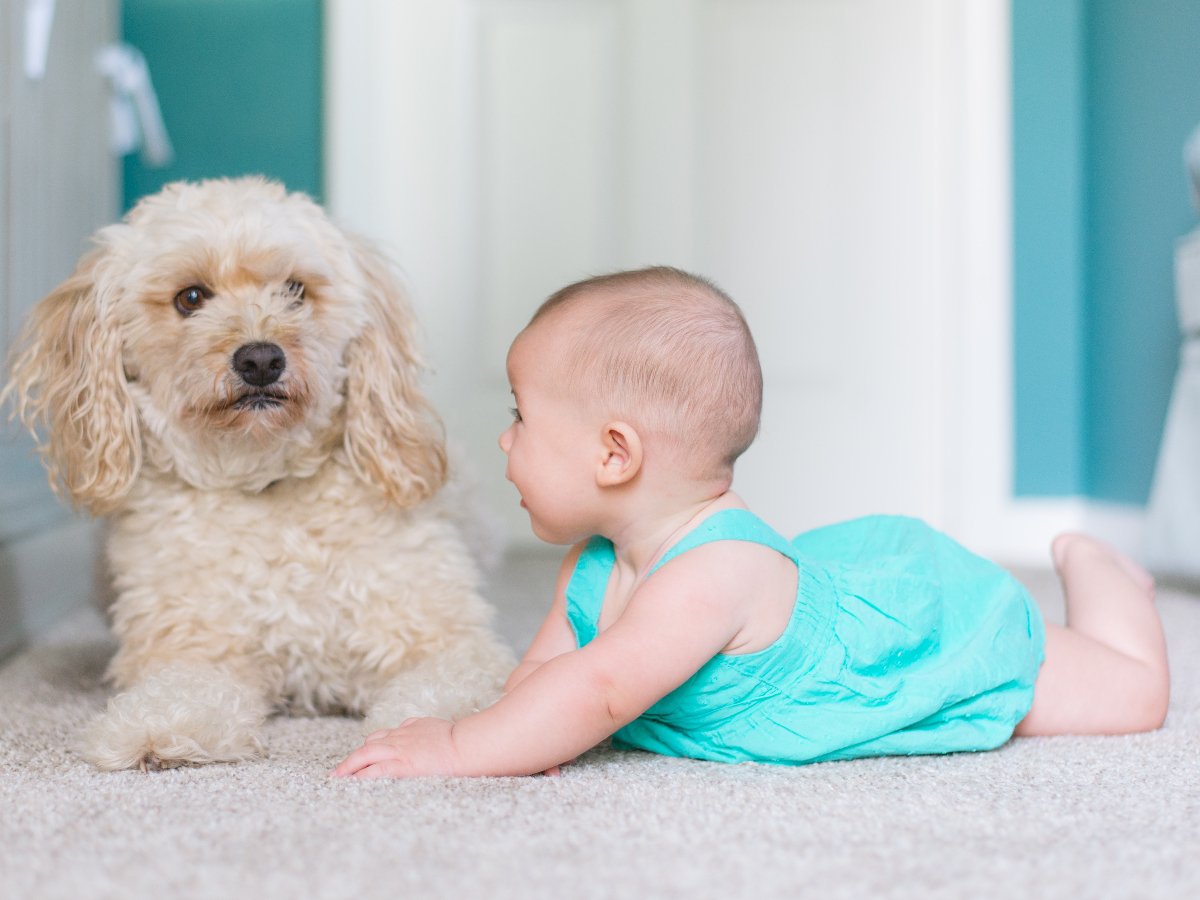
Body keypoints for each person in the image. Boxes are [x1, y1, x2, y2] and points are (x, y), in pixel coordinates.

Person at [333, 266, 1170, 779]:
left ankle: (1096, 567)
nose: (505, 439)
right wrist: (513, 734)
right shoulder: (591, 565)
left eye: (522, 419)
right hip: (821, 586)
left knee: (1131, 696)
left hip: (915, 632)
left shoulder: (709, 578)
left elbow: (598, 690)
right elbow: (547, 680)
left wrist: (457, 749)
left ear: (614, 455)